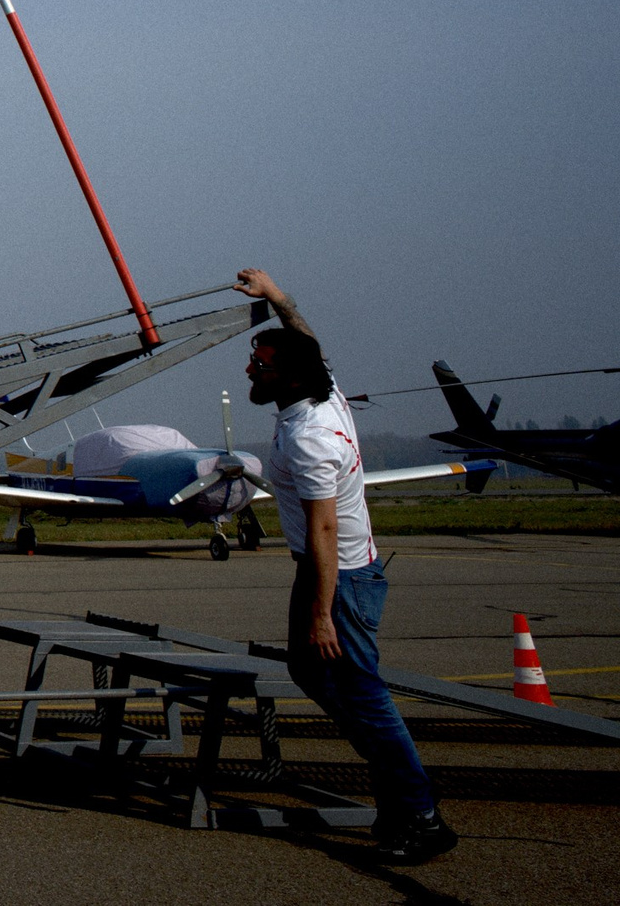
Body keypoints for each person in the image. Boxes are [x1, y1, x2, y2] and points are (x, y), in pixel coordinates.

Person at [236, 267, 456, 864]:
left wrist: (322, 615)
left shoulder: (312, 435)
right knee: (311, 675)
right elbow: (308, 339)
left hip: (339, 579)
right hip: (328, 571)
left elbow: (324, 529)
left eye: (263, 363)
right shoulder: (321, 390)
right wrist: (277, 297)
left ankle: (420, 814)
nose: (252, 369)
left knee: (362, 693)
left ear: (290, 374)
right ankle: (396, 787)